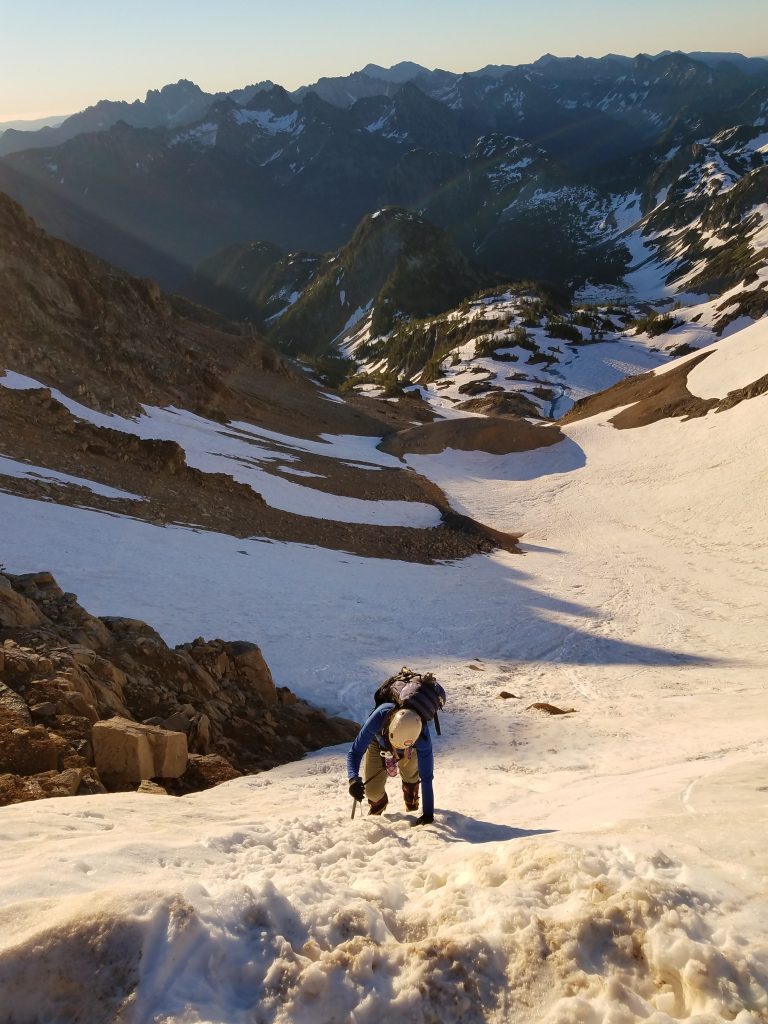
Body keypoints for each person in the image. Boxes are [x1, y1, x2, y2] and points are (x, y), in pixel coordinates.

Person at [347, 704, 434, 826]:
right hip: (378, 743)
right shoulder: (378, 718)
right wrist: (353, 779)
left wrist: (428, 813)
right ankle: (379, 802)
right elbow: (355, 752)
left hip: (409, 749)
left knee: (411, 775)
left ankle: (411, 792)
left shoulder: (422, 735)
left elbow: (427, 776)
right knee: (372, 792)